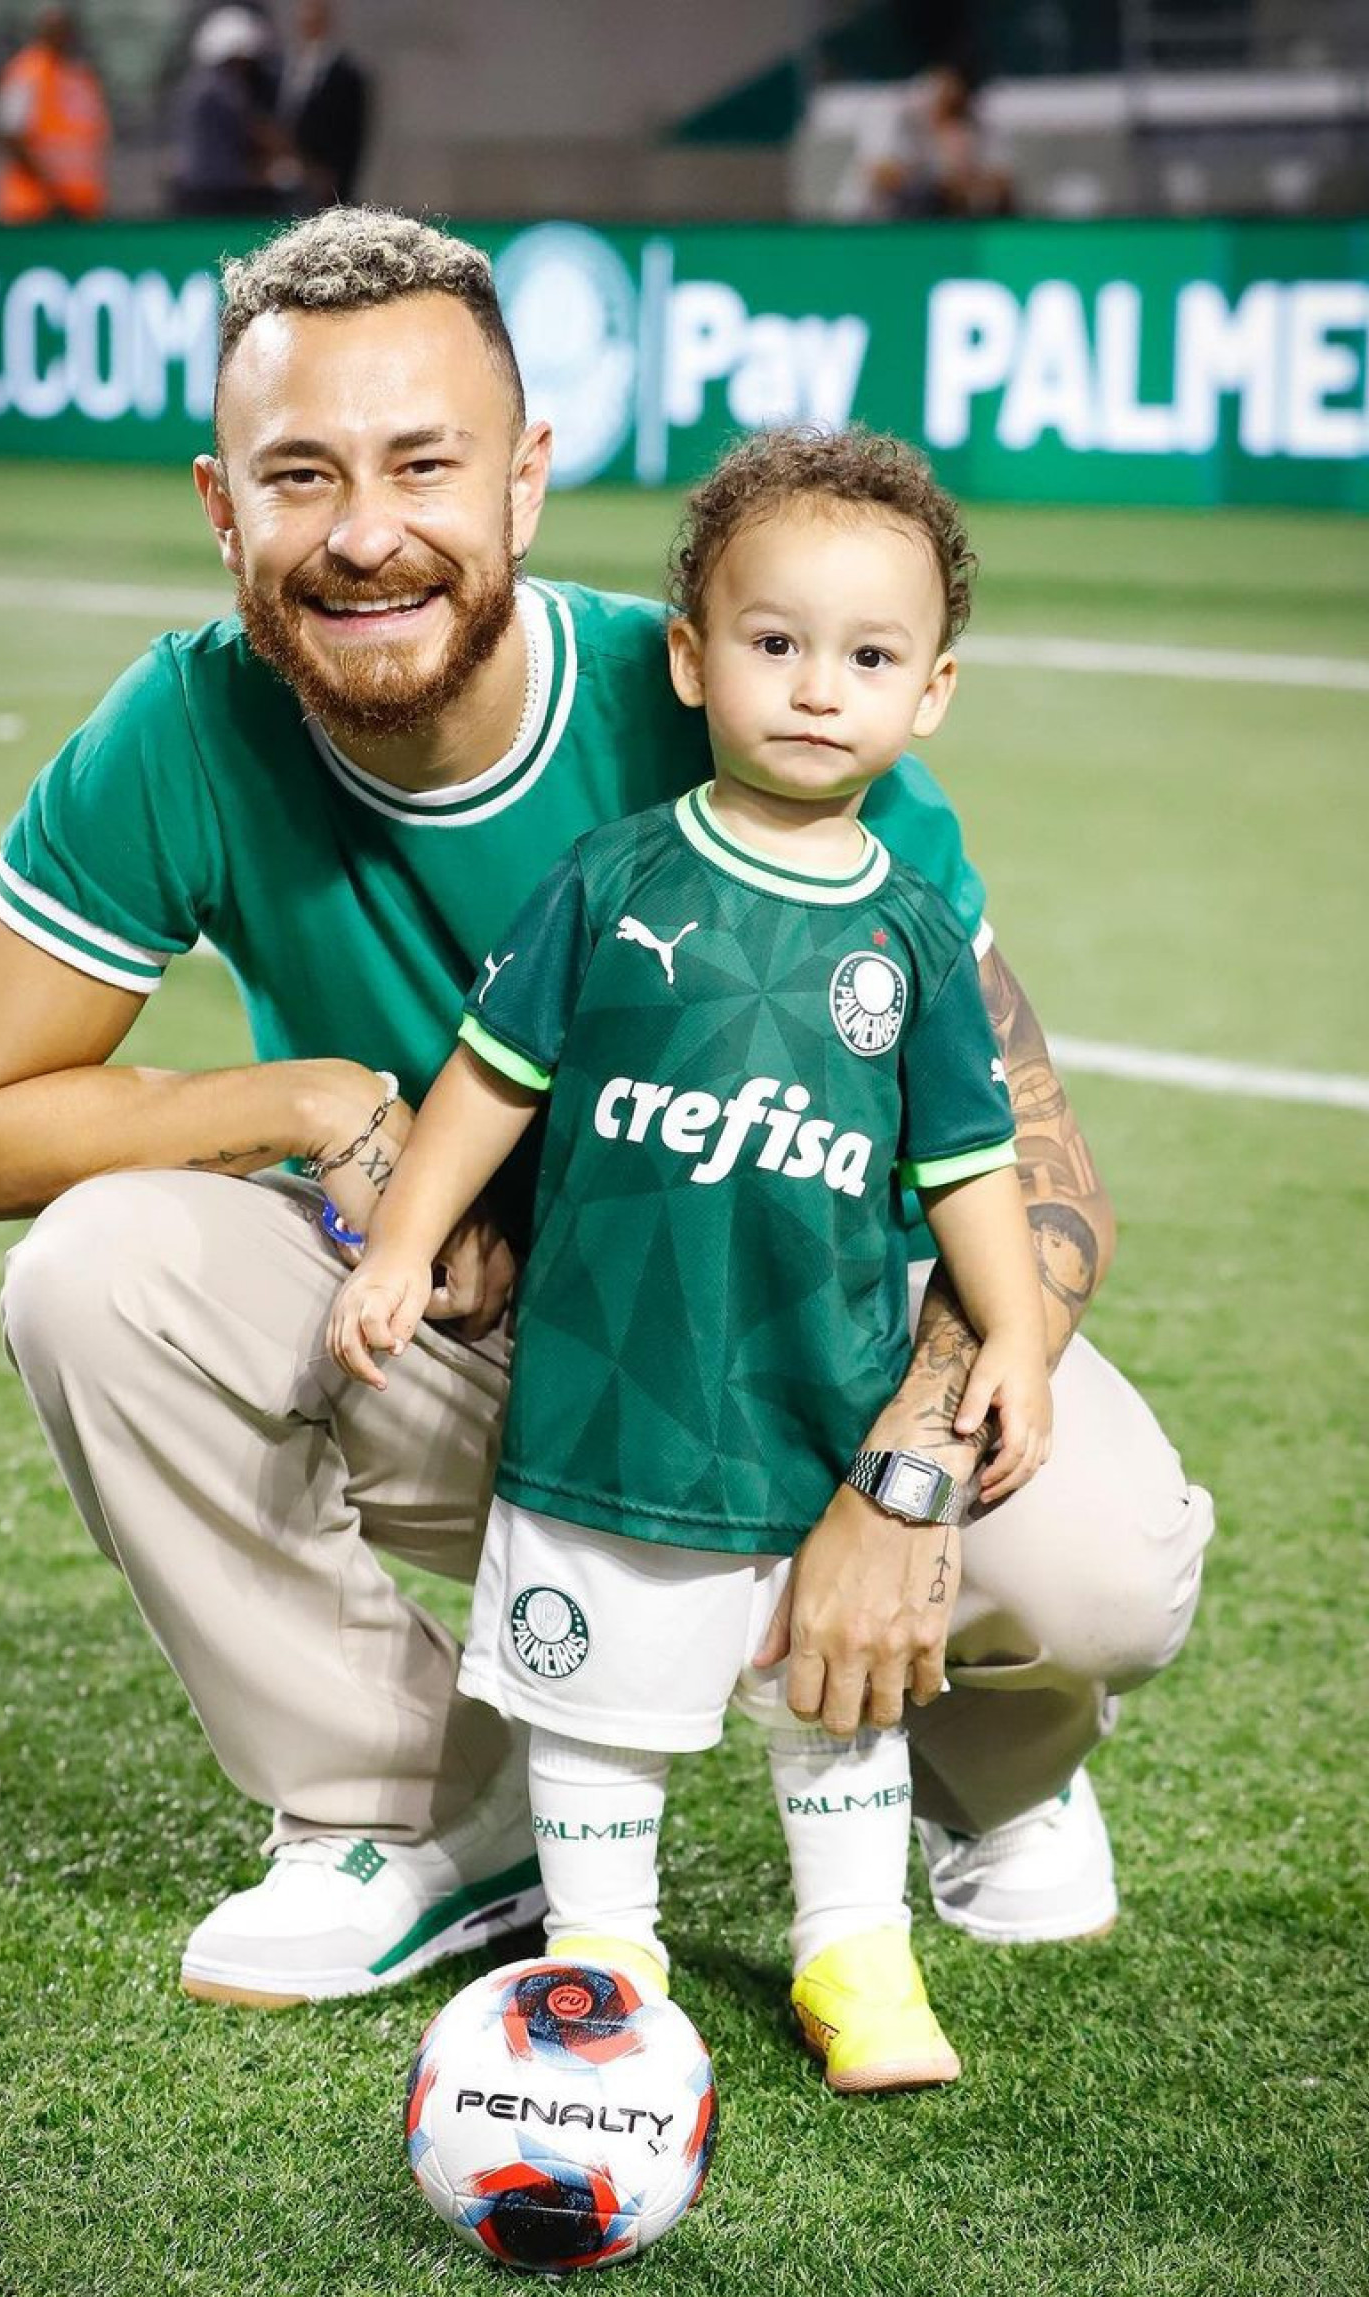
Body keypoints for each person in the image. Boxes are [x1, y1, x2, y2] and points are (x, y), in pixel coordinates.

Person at [0, 208, 1212, 2013]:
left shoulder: (752, 698)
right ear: (222, 510)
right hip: (504, 1353)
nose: (363, 533)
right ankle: (419, 1815)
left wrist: (905, 1468)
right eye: (300, 476)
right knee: (96, 1273)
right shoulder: (187, 729)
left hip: (824, 1351)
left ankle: (993, 1785)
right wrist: (313, 1100)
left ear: (523, 484)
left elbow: (1044, 1180)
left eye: (426, 463)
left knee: (1109, 1558)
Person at [327, 428, 1052, 2092]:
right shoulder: (612, 878)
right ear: (690, 655)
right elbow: (489, 1084)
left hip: (823, 1405)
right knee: (599, 1690)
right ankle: (601, 1954)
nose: (818, 689)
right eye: (774, 642)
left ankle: (854, 1955)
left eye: (869, 658)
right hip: (612, 1398)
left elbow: (972, 1166)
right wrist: (406, 1245)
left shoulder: (920, 943)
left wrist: (1007, 1332)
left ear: (931, 691)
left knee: (834, 1697)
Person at [841, 67, 1015, 223]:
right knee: (921, 198)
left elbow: (1001, 181)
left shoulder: (972, 119)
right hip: (871, 224)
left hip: (942, 221)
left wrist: (966, 182)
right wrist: (945, 184)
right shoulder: (892, 112)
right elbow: (882, 174)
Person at [0, 3, 110, 226]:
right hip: (34, 209)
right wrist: (51, 190)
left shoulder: (81, 76)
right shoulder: (26, 73)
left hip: (82, 206)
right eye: (54, 30)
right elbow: (9, 134)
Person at [169, 6, 282, 219]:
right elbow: (252, 128)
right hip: (217, 192)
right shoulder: (220, 87)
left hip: (196, 187)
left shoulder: (195, 83)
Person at [277, 0, 372, 208]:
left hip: (325, 181)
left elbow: (352, 132)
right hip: (290, 176)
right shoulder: (286, 66)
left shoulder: (346, 74)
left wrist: (336, 179)